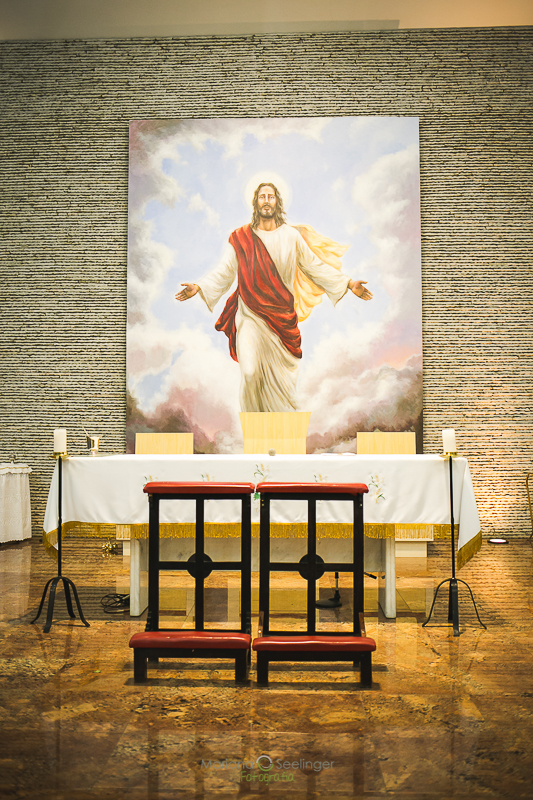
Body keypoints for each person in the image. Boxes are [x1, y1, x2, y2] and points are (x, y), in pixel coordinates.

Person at [176, 182, 372, 412]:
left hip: (282, 320)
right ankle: (254, 428)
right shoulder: (240, 237)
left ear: (277, 202)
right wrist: (199, 287)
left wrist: (348, 283)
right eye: (262, 197)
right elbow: (225, 271)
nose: (266, 201)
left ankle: (281, 432)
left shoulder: (291, 236)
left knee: (283, 386)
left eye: (271, 197)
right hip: (250, 316)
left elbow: (314, 266)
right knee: (249, 373)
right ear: (255, 202)